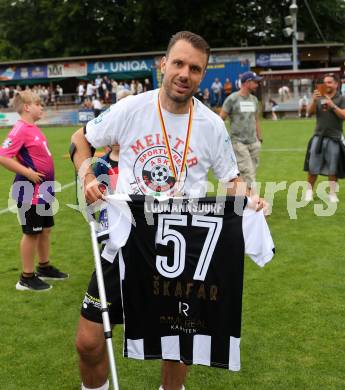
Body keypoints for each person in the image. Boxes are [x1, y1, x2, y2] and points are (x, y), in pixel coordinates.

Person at [71, 31, 265, 390]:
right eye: (178, 63)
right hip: (127, 238)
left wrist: (249, 200)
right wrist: (86, 174)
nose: (184, 73)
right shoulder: (132, 108)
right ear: (163, 64)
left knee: (177, 346)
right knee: (89, 342)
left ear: (202, 74)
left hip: (181, 246)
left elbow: (231, 179)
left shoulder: (210, 125)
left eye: (195, 68)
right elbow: (80, 140)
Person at [0, 90, 68, 291]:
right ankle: (26, 278)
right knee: (32, 233)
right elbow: (3, 156)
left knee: (45, 230)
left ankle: (44, 267)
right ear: (27, 107)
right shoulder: (20, 129)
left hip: (44, 189)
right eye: (38, 104)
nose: (42, 108)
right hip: (29, 189)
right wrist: (27, 173)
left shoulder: (34, 128)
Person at [304, 73, 345, 203]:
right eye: (325, 82)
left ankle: (332, 194)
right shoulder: (319, 96)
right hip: (318, 135)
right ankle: (309, 193)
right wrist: (314, 100)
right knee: (313, 166)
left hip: (334, 137)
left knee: (333, 167)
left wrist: (332, 105)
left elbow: (343, 115)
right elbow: (308, 114)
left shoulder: (341, 98)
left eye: (329, 82)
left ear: (336, 84)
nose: (326, 84)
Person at [220, 71, 263, 192]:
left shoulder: (254, 99)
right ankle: (254, 201)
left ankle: (242, 198)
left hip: (253, 142)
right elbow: (220, 120)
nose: (257, 84)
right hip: (238, 143)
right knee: (248, 172)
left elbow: (256, 119)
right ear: (247, 82)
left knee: (250, 171)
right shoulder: (232, 99)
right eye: (255, 82)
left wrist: (259, 138)